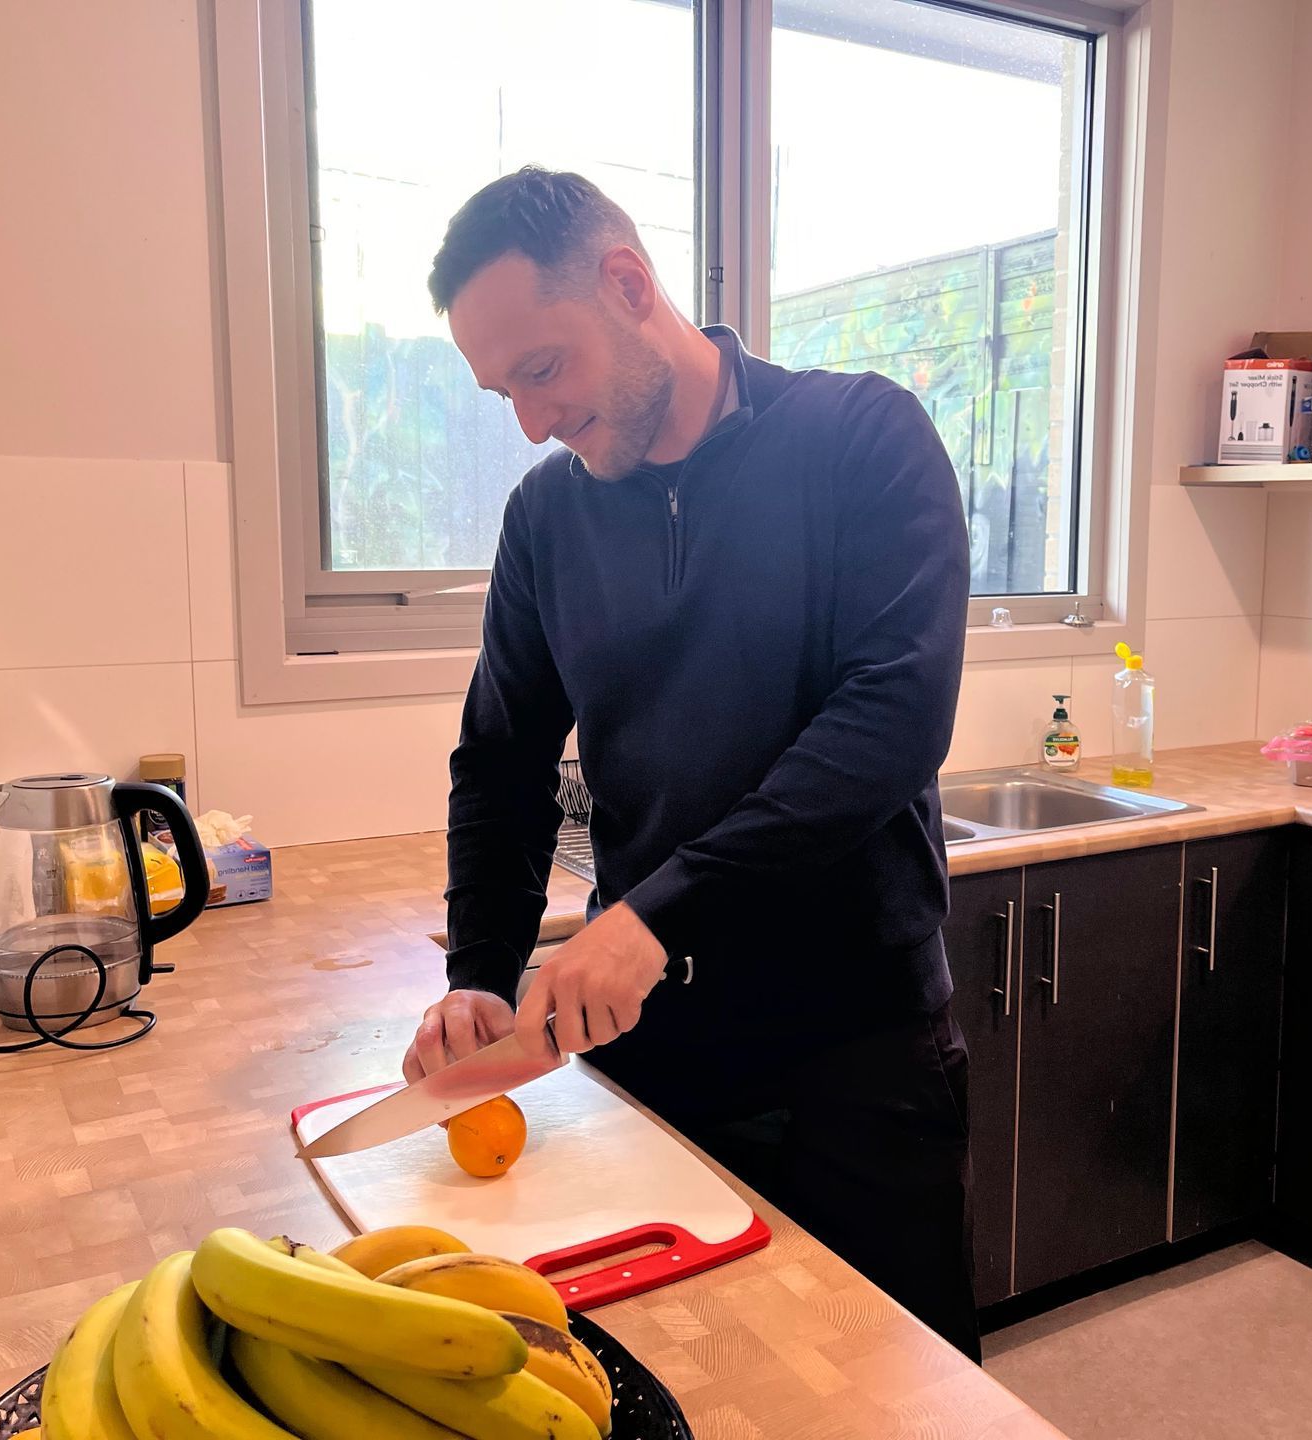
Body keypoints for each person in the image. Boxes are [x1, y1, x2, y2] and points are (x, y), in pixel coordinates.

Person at [401, 166, 977, 1359]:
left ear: (626, 284)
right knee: (691, 1376)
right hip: (659, 1047)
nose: (530, 420)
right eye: (502, 389)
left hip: (858, 1047)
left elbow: (890, 722)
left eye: (542, 369)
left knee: (898, 1395)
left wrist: (656, 910)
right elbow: (501, 760)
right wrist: (478, 972)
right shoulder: (547, 518)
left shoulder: (860, 438)